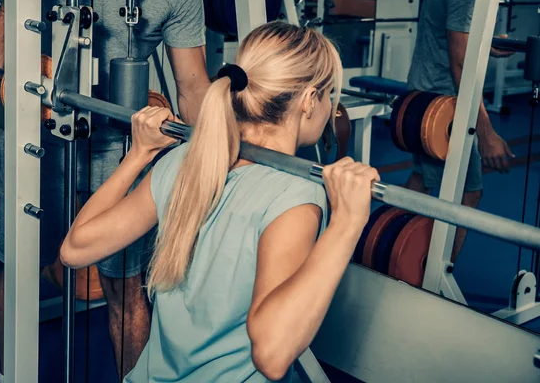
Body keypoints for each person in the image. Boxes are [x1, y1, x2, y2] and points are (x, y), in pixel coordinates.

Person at [60, 21, 380, 382]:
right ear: (308, 101)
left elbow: (75, 248)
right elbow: (273, 358)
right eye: (329, 95)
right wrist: (347, 224)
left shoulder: (182, 161)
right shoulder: (294, 195)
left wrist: (138, 154)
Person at [0, 0, 211, 381]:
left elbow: (192, 86)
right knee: (21, 268)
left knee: (126, 286)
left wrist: (213, 157)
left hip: (123, 143)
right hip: (35, 133)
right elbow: (8, 12)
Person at [405, 0, 514, 262]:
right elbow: (461, 65)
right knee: (469, 192)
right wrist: (486, 133)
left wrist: (484, 46)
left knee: (421, 180)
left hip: (424, 91)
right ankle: (433, 274)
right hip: (442, 105)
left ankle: (391, 257)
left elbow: (450, 36)